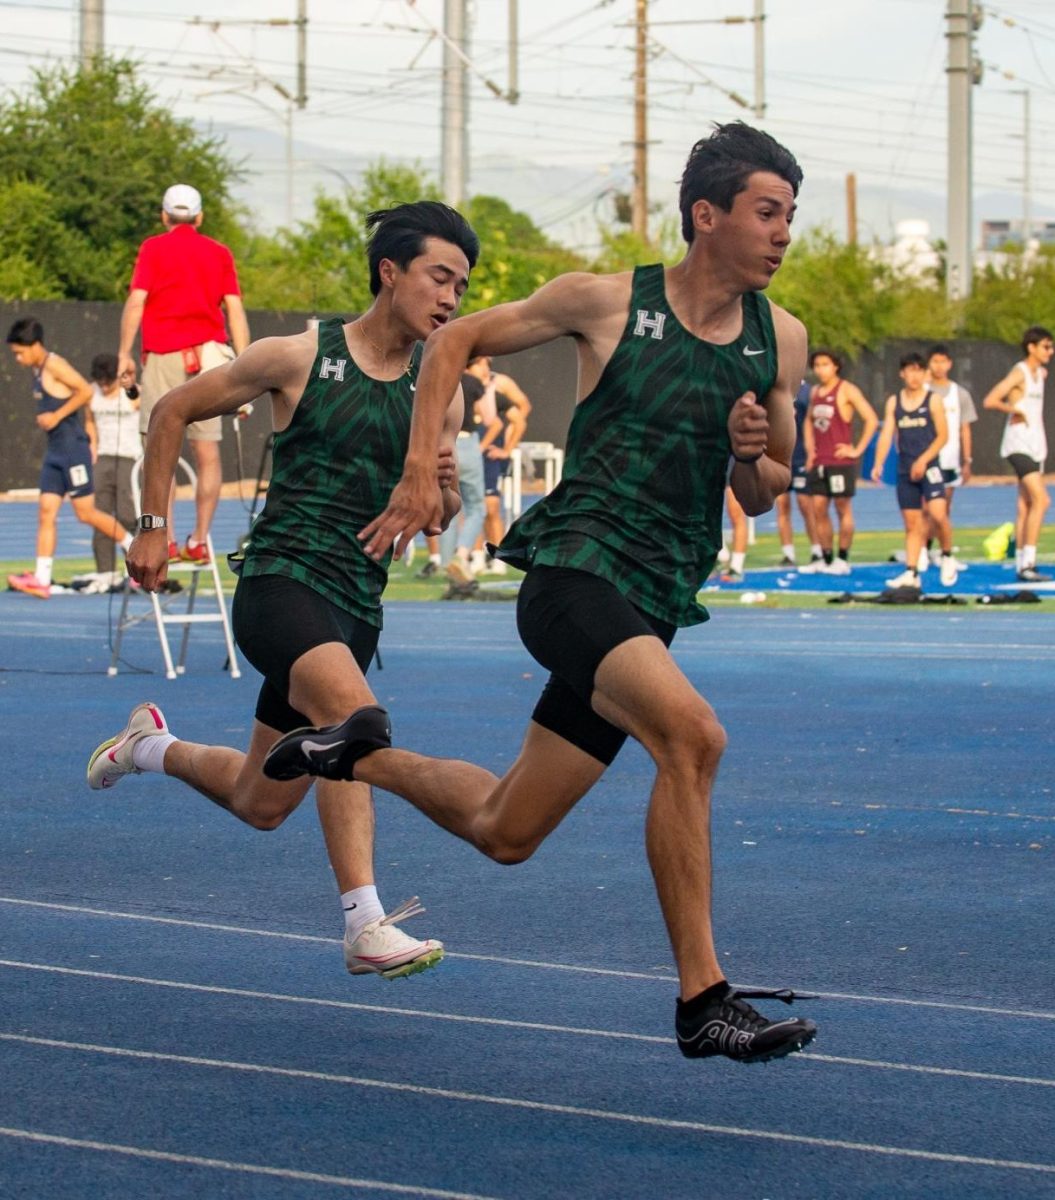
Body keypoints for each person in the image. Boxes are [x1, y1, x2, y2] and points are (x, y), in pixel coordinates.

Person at [274, 124, 819, 1064]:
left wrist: (749, 456)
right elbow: (456, 348)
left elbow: (766, 492)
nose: (781, 234)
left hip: (650, 605)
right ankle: (703, 1000)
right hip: (573, 576)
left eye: (788, 217)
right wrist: (417, 470)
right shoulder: (605, 302)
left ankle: (347, 756)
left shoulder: (783, 342)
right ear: (706, 215)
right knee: (693, 737)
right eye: (766, 214)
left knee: (505, 829)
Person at [87, 201, 481, 979]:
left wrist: (441, 495)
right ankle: (365, 923)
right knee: (354, 722)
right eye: (440, 277)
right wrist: (151, 525)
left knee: (258, 802)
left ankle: (147, 746)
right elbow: (171, 409)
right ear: (390, 271)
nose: (451, 299)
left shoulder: (444, 390)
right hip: (280, 583)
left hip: (354, 607)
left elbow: (437, 519)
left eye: (462, 288)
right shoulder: (297, 356)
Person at [118, 183, 251, 563]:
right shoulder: (219, 253)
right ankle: (200, 540)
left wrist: (123, 354)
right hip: (208, 360)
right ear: (199, 217)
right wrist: (244, 364)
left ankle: (167, 539)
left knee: (160, 453)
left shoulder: (152, 249)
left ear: (164, 216)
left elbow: (136, 302)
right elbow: (235, 310)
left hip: (163, 357)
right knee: (207, 452)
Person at [5, 318, 133, 599]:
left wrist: (57, 416)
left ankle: (131, 544)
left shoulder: (54, 365)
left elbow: (85, 391)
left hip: (72, 450)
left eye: (20, 352)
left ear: (35, 345)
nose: (17, 358)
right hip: (54, 452)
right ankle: (41, 577)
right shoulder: (38, 369)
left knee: (85, 513)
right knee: (45, 512)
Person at [871, 352, 952, 590]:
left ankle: (947, 555)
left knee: (938, 514)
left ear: (924, 374)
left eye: (919, 370)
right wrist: (878, 462)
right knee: (911, 524)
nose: (914, 376)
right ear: (902, 373)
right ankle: (912, 571)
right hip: (906, 470)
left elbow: (943, 436)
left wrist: (924, 461)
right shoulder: (894, 402)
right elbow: (887, 434)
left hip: (929, 468)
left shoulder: (933, 400)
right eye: (910, 370)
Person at [983, 325, 1053, 583]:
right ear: (1031, 347)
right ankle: (1029, 563)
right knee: (1042, 501)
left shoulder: (1038, 374)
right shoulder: (1019, 372)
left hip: (1036, 444)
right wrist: (1013, 410)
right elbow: (990, 399)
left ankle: (1022, 561)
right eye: (1045, 346)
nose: (1050, 351)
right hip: (1019, 444)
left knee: (1025, 505)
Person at [799, 348, 877, 576]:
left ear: (836, 366)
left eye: (825, 364)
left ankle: (842, 558)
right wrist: (810, 450)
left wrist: (857, 450)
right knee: (818, 509)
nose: (821, 369)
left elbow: (871, 419)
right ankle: (826, 557)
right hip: (819, 461)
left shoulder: (847, 390)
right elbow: (808, 421)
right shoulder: (815, 392)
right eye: (817, 365)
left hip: (839, 462)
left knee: (842, 508)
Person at [439, 363, 501, 583]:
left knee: (448, 506)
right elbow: (490, 419)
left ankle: (445, 562)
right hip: (467, 443)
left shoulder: (439, 376)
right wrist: (489, 388)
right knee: (476, 507)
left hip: (442, 443)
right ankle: (462, 554)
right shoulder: (473, 382)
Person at [474, 358, 531, 574]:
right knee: (472, 508)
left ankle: (497, 557)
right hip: (468, 453)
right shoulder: (460, 383)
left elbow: (520, 411)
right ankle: (476, 555)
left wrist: (507, 445)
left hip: (489, 455)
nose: (485, 368)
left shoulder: (498, 386)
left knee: (491, 506)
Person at [924, 344, 977, 574]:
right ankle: (922, 551)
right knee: (927, 509)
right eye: (934, 361)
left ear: (950, 364)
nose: (939, 366)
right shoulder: (922, 390)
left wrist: (967, 460)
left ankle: (940, 551)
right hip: (927, 460)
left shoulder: (959, 393)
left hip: (950, 459)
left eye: (943, 361)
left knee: (944, 510)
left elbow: (965, 429)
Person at [88, 352, 140, 580]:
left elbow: (137, 393)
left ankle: (136, 568)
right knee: (100, 515)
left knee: (128, 515)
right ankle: (105, 572)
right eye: (100, 381)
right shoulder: (91, 391)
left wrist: (126, 373)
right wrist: (92, 446)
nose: (104, 386)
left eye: (108, 381)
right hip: (103, 457)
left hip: (129, 456)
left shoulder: (130, 390)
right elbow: (89, 420)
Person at [774, 378, 818, 566]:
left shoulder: (807, 391)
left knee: (805, 505)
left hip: (800, 456)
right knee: (782, 505)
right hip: (778, 457)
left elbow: (813, 425)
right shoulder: (773, 387)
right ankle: (788, 553)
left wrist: (811, 453)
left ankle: (817, 549)